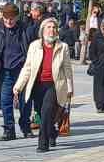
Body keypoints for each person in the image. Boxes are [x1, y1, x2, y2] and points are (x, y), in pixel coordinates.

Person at [12, 17, 73, 153]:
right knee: (41, 113)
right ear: (43, 30)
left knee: (46, 111)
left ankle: (42, 143)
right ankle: (51, 132)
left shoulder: (63, 47)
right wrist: (18, 86)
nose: (52, 30)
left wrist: (70, 88)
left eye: (54, 28)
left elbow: (67, 69)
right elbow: (27, 67)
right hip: (37, 85)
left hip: (54, 85)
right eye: (49, 27)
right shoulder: (34, 46)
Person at [0, 4, 33, 140]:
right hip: (5, 69)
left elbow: (33, 46)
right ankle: (9, 129)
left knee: (26, 100)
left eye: (11, 19)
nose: (8, 22)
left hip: (23, 69)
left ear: (17, 17)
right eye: (6, 18)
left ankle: (25, 126)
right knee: (5, 100)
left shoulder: (25, 29)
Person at [86, 26, 104, 112]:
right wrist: (96, 61)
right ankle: (100, 105)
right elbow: (91, 51)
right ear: (103, 27)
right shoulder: (97, 37)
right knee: (99, 86)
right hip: (99, 66)